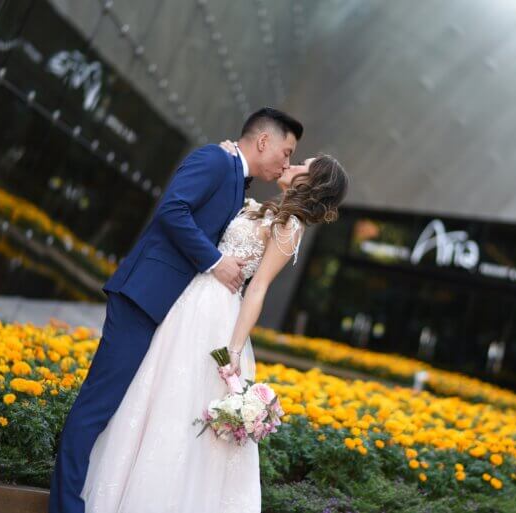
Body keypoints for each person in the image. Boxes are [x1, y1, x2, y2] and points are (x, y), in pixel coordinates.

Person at [48, 107, 304, 513]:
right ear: (263, 142)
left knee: (123, 410)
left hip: (171, 313)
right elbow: (172, 209)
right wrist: (215, 261)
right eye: (287, 152)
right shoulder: (214, 159)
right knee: (97, 407)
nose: (286, 162)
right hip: (143, 298)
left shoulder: (239, 181)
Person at [80, 147, 348, 512]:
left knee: (183, 405)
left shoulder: (289, 226)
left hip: (218, 316)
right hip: (189, 301)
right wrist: (230, 153)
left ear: (312, 184)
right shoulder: (261, 207)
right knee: (154, 392)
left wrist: (234, 349)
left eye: (304, 165)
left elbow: (258, 288)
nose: (293, 164)